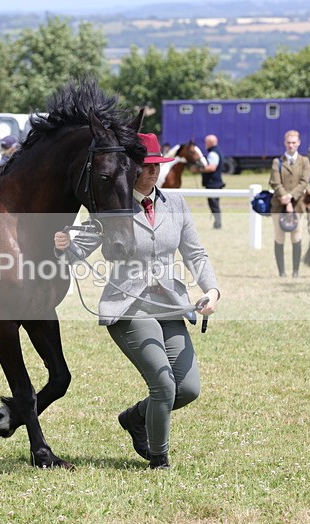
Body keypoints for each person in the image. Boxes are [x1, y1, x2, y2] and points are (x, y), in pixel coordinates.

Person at [53, 133, 220, 469]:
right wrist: (60, 247)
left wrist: (212, 290)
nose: (153, 172)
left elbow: (196, 254)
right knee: (163, 384)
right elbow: (74, 253)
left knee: (187, 389)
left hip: (170, 305)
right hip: (129, 307)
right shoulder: (111, 207)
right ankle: (159, 460)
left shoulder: (177, 205)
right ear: (130, 170)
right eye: (146, 167)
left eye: (157, 165)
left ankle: (134, 418)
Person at [269, 130, 310, 278]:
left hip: (297, 206)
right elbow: (275, 181)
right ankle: (281, 272)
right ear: (285, 143)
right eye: (289, 142)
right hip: (279, 205)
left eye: (294, 142)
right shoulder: (277, 162)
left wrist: (291, 197)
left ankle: (295, 271)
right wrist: (285, 199)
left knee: (296, 237)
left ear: (298, 143)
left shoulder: (304, 161)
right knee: (279, 237)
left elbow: (304, 182)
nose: (291, 145)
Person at [197, 134, 224, 229]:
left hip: (213, 183)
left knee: (214, 204)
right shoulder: (217, 151)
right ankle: (217, 223)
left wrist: (199, 169)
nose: (205, 144)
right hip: (216, 182)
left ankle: (218, 223)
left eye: (206, 142)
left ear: (209, 143)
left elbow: (212, 168)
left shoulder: (213, 153)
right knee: (214, 203)